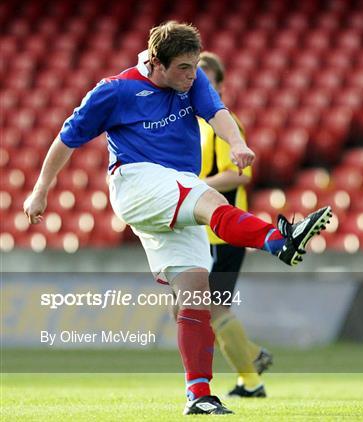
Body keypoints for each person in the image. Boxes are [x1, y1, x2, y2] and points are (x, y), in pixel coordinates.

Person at [23, 21, 332, 415]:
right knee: (207, 199)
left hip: (175, 187)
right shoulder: (115, 91)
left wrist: (237, 144)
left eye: (194, 67)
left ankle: (199, 395)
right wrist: (40, 190)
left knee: (195, 292)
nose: (191, 75)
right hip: (135, 182)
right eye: (183, 68)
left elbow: (216, 111)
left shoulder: (195, 79)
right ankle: (278, 240)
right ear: (156, 63)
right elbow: (67, 138)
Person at [198, 51, 271, 398]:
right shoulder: (193, 125)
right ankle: (252, 362)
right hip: (201, 231)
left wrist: (196, 189)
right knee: (198, 307)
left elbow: (239, 176)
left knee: (211, 308)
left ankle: (252, 377)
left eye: (206, 79)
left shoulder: (225, 125)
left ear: (220, 86)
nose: (198, 84)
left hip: (224, 233)